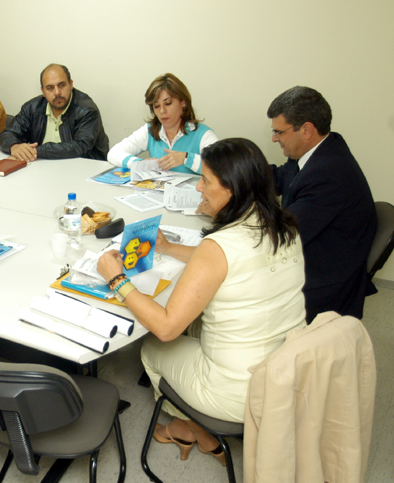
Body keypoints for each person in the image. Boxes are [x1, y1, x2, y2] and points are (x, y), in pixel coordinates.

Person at [98, 138, 305, 461]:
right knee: (192, 323)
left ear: (232, 189)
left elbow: (166, 327)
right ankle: (193, 430)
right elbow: (223, 262)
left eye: (206, 181)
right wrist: (166, 248)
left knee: (153, 345)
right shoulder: (284, 227)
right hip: (285, 371)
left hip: (237, 392)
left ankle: (192, 429)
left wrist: (117, 279)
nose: (198, 189)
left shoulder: (218, 246)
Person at [267, 86, 376, 323]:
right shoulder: (320, 149)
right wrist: (236, 176)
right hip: (315, 251)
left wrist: (230, 218)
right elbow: (280, 178)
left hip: (325, 279)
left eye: (279, 132)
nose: (274, 138)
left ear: (306, 129)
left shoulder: (329, 175)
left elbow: (284, 233)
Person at [107, 73, 217, 174]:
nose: (162, 111)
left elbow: (222, 167)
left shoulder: (202, 134)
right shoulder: (150, 130)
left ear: (183, 102)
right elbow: (113, 153)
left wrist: (186, 158)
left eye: (168, 103)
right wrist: (140, 163)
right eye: (156, 106)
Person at [0, 64, 109, 161]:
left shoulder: (87, 110)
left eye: (62, 85)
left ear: (71, 84)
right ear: (43, 91)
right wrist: (14, 146)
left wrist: (35, 151)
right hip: (44, 171)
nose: (57, 92)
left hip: (84, 172)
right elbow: (6, 135)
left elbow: (80, 147)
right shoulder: (32, 108)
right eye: (50, 88)